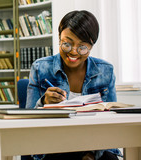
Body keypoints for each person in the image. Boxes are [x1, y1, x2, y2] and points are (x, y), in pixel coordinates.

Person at [25, 10, 120, 160]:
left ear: (92, 45)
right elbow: (27, 122)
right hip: (53, 147)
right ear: (59, 39)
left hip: (95, 146)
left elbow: (112, 123)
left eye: (82, 47)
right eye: (67, 44)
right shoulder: (40, 68)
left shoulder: (105, 70)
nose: (73, 52)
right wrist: (43, 102)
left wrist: (92, 153)